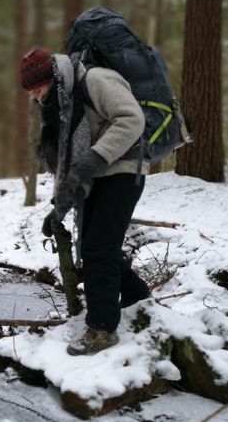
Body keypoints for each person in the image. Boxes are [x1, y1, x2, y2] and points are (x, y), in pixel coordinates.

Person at [19, 47, 151, 356]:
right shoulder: (60, 104)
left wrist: (93, 159)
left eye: (37, 89)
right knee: (93, 245)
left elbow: (131, 120)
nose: (35, 97)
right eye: (30, 93)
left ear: (51, 77)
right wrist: (58, 208)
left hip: (124, 170)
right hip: (97, 176)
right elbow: (67, 161)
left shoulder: (96, 80)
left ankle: (102, 329)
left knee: (97, 248)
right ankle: (138, 296)